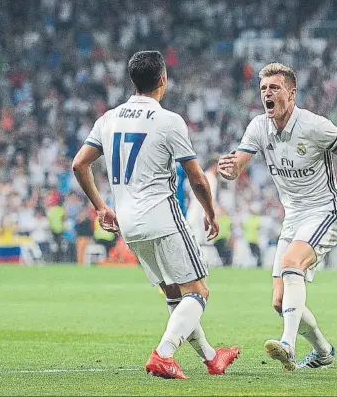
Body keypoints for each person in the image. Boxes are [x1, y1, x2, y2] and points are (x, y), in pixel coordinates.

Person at [72, 51, 239, 379]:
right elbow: (196, 176)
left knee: (175, 293)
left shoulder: (108, 119)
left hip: (128, 225)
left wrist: (101, 207)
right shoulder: (169, 120)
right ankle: (163, 353)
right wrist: (210, 212)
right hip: (163, 218)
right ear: (163, 80)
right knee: (199, 292)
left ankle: (211, 358)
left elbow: (79, 164)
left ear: (133, 80)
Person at [217, 63, 337, 371]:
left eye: (274, 88)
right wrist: (231, 169)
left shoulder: (314, 126)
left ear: (291, 93)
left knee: (291, 264)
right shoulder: (259, 126)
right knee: (279, 302)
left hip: (324, 211)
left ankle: (287, 343)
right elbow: (239, 164)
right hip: (294, 218)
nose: (267, 94)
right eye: (263, 89)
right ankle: (323, 350)